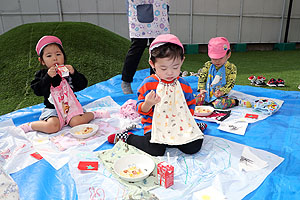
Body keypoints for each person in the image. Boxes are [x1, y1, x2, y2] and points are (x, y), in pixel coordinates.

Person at [108, 34, 207, 156]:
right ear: (152, 63)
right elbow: (141, 110)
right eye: (163, 68)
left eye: (175, 67)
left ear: (182, 61)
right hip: (154, 125)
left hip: (179, 124)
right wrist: (148, 103)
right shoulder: (149, 84)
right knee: (156, 150)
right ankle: (127, 137)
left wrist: (188, 123)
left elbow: (190, 104)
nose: (170, 73)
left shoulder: (183, 85)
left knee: (193, 147)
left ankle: (194, 127)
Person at [18, 36, 109, 134]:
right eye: (49, 56)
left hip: (71, 107)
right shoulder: (42, 74)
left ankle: (93, 114)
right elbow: (38, 90)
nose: (54, 58)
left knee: (77, 122)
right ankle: (31, 125)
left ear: (64, 57)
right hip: (53, 109)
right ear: (42, 61)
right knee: (52, 127)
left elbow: (82, 85)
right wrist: (48, 77)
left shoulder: (68, 72)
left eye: (58, 54)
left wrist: (74, 73)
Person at [121, 0, 170, 94]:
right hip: (139, 12)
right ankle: (126, 81)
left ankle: (155, 80)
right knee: (137, 47)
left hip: (159, 12)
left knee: (158, 49)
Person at [196, 37, 238, 109]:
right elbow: (202, 78)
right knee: (194, 100)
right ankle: (207, 100)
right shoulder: (208, 65)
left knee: (219, 104)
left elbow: (230, 83)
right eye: (214, 59)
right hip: (207, 93)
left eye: (220, 58)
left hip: (221, 95)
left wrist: (222, 92)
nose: (217, 61)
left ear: (228, 55)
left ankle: (234, 101)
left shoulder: (231, 68)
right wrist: (202, 89)